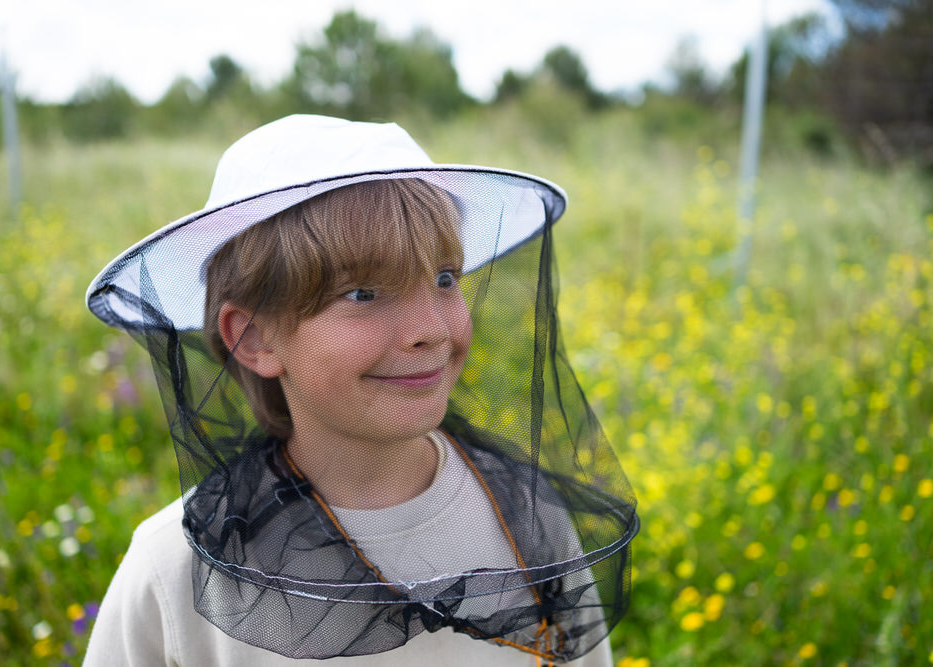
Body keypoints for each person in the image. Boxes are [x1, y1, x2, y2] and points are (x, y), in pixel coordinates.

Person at [83, 115, 638, 666]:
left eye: (445, 279)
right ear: (253, 337)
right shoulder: (173, 570)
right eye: (364, 293)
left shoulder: (530, 520)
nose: (431, 329)